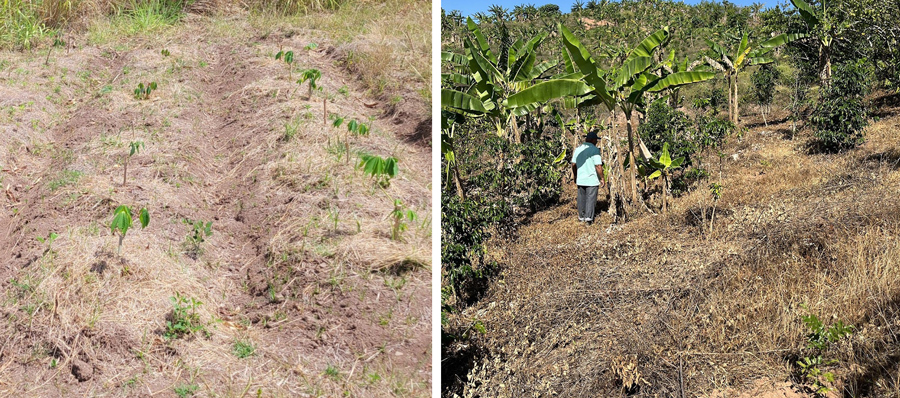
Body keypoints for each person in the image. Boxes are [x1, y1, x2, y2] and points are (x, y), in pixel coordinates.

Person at [571, 131, 605, 224]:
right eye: (596, 140)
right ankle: (588, 219)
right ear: (593, 140)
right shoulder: (594, 150)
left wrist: (575, 175)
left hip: (581, 178)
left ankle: (581, 217)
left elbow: (573, 164)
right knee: (590, 198)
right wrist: (602, 178)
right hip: (591, 179)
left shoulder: (578, 149)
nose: (596, 142)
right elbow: (598, 166)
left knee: (581, 198)